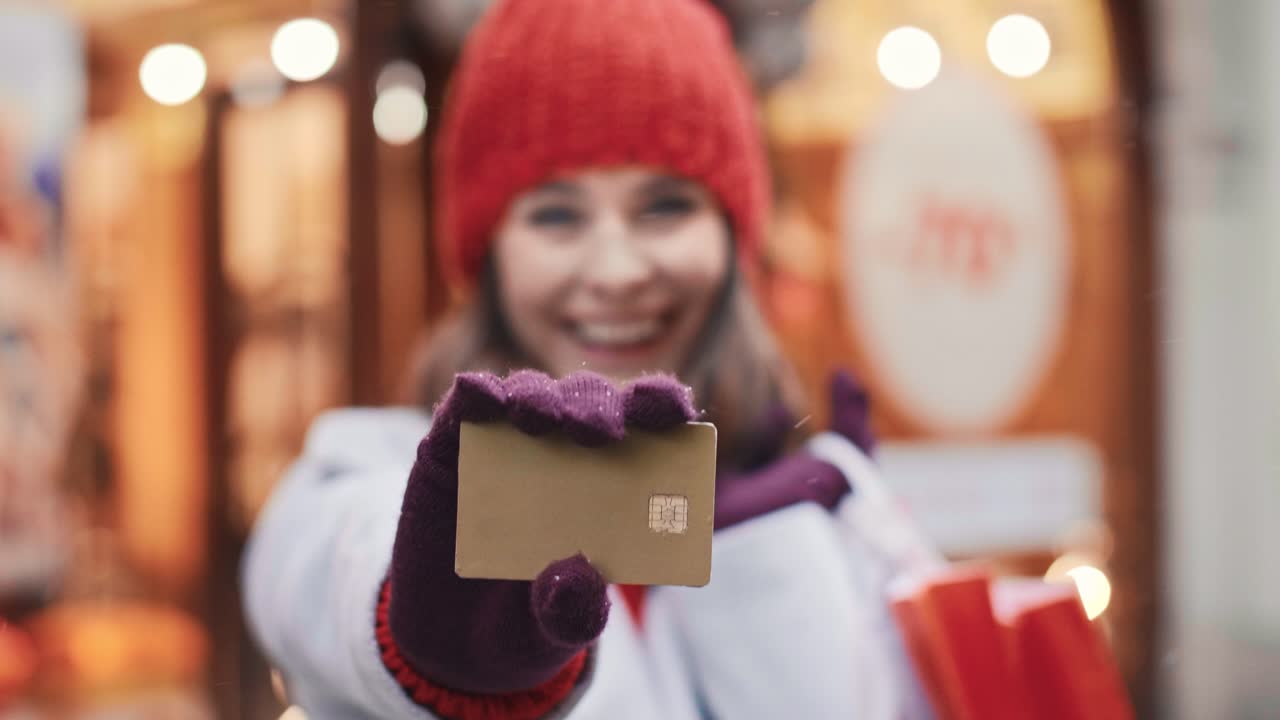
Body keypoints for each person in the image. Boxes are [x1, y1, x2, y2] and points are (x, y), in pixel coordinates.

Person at [242, 0, 940, 718]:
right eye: (556, 214)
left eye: (664, 206)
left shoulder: (812, 493)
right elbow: (314, 569)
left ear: (735, 240)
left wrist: (783, 553)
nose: (614, 271)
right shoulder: (361, 471)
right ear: (489, 259)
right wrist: (431, 633)